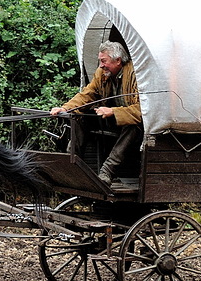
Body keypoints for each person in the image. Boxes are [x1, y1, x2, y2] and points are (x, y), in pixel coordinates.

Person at [50, 40, 142, 185]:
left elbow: (142, 110)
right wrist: (66, 108)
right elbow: (88, 93)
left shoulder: (136, 74)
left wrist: (113, 111)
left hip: (135, 125)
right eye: (100, 61)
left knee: (132, 126)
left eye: (104, 61)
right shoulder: (102, 73)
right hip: (112, 120)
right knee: (80, 117)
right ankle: (72, 163)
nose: (101, 65)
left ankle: (107, 171)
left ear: (118, 60)